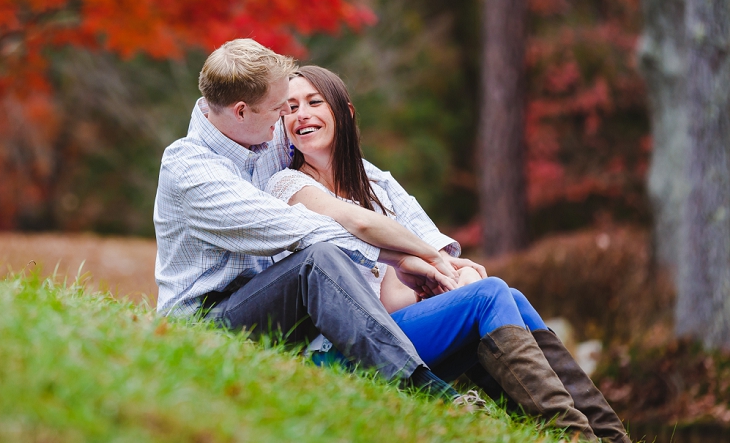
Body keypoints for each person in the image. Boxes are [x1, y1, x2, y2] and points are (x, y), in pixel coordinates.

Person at [264, 65, 630, 443]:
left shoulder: (374, 186)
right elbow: (363, 227)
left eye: (313, 102)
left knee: (506, 296)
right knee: (489, 296)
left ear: (345, 112)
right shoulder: (287, 184)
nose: (300, 114)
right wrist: (445, 273)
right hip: (341, 350)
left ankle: (610, 435)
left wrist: (456, 279)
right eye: (289, 108)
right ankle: (572, 435)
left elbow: (414, 269)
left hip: (388, 335)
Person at [154, 39, 481, 401]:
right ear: (241, 111)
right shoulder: (191, 170)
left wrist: (435, 251)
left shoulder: (262, 136)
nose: (286, 118)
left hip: (266, 302)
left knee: (485, 299)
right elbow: (303, 229)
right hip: (205, 324)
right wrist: (400, 257)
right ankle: (426, 390)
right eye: (280, 108)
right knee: (318, 257)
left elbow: (362, 174)